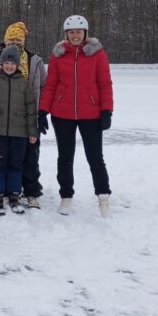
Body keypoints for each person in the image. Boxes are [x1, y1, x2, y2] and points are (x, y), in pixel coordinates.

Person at [39, 15, 114, 217]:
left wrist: (107, 110)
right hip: (62, 113)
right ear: (66, 34)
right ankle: (66, 196)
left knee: (95, 157)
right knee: (65, 157)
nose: (75, 35)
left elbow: (105, 84)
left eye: (78, 32)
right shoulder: (58, 55)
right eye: (71, 32)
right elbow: (51, 85)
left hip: (91, 113)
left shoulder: (97, 54)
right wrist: (43, 110)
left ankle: (103, 196)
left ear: (85, 33)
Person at [0, 21, 47, 208]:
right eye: (11, 40)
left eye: (19, 40)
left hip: (28, 119)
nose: (15, 43)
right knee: (1, 161)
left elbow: (44, 87)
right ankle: (1, 191)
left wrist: (41, 113)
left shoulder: (34, 61)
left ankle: (29, 192)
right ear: (5, 41)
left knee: (29, 158)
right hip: (0, 122)